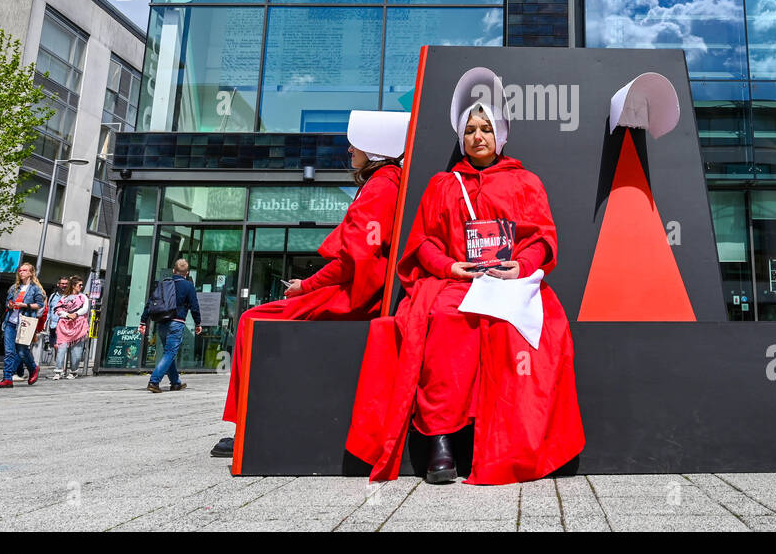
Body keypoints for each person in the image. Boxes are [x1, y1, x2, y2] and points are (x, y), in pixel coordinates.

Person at [347, 69, 584, 485]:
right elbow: (422, 242)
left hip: (509, 281)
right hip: (456, 281)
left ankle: (520, 443)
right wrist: (448, 267)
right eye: (470, 129)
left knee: (524, 329)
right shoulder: (442, 185)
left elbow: (543, 238)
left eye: (486, 128)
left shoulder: (526, 182)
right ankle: (442, 440)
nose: (478, 136)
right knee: (448, 320)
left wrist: (522, 267)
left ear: (501, 134)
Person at [211, 110, 407, 458]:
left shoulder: (381, 188)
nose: (350, 150)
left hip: (354, 300)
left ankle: (247, 425)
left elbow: (352, 261)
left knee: (251, 321)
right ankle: (249, 422)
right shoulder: (389, 183)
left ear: (373, 148)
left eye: (355, 144)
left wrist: (306, 286)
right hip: (360, 295)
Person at [138, 258, 202, 394]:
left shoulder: (164, 283)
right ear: (187, 273)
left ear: (174, 271)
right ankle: (154, 381)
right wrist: (198, 323)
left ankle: (175, 383)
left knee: (169, 352)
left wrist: (143, 321)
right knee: (170, 353)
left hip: (161, 322)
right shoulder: (188, 286)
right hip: (177, 323)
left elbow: (151, 303)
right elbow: (194, 306)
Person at [0, 263, 45, 388]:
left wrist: (24, 305)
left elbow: (39, 305)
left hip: (25, 323)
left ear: (30, 273)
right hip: (11, 322)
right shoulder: (14, 287)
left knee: (22, 351)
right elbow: (8, 302)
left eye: (24, 270)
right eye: (20, 270)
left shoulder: (35, 289)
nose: (21, 272)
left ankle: (33, 368)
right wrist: (10, 305)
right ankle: (7, 378)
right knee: (9, 352)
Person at [50, 276, 90, 380]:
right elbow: (57, 309)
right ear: (73, 285)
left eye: (82, 285)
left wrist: (76, 314)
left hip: (78, 326)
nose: (81, 287)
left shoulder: (83, 297)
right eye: (79, 285)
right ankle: (58, 371)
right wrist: (67, 315)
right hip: (64, 326)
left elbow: (85, 308)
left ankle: (74, 371)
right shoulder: (64, 298)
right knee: (61, 349)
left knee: (76, 352)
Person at [42, 277, 71, 365]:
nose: (64, 285)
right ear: (58, 284)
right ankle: (59, 365)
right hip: (53, 325)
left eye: (66, 284)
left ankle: (60, 366)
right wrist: (45, 322)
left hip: (65, 325)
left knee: (60, 345)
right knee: (55, 345)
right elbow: (49, 311)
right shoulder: (53, 296)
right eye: (63, 283)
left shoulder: (70, 296)